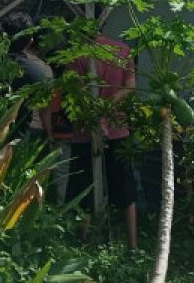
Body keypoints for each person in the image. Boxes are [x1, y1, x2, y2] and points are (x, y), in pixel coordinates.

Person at [67, 29, 139, 248]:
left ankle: (82, 244)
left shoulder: (75, 55)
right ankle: (133, 244)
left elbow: (76, 92)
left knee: (83, 189)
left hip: (84, 132)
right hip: (118, 129)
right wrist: (109, 107)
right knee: (125, 189)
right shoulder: (123, 50)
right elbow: (131, 87)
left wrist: (97, 111)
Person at [3, 11, 54, 140]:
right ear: (30, 40)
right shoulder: (39, 73)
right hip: (23, 136)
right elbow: (45, 110)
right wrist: (49, 137)